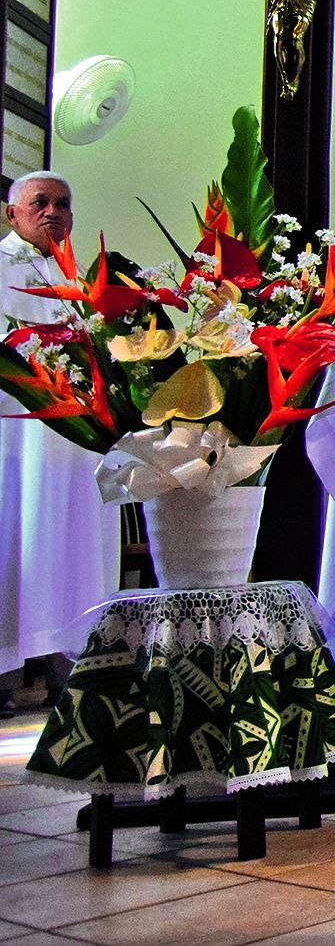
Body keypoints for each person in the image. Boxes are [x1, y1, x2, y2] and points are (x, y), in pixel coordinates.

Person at [0, 172, 120, 718]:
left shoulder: (79, 274)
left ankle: (70, 663)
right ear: (12, 214)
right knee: (19, 539)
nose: (52, 212)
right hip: (17, 433)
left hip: (78, 435)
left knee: (72, 542)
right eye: (39, 203)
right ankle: (4, 671)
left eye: (62, 204)